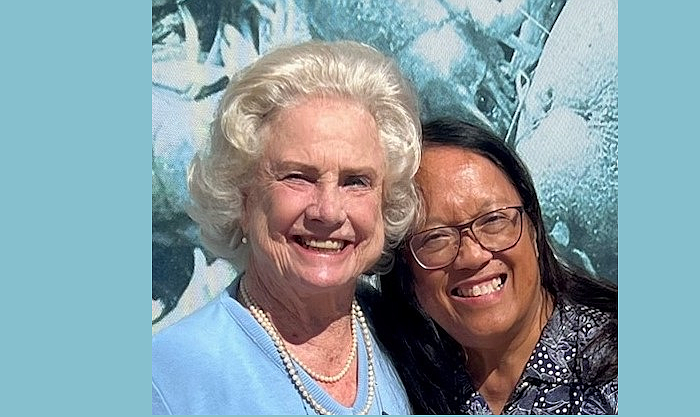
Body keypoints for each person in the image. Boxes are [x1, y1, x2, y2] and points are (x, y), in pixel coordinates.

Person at [151, 40, 422, 415]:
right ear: (242, 197)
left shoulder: (410, 342)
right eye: (298, 177)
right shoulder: (169, 377)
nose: (328, 211)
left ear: (385, 201)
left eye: (356, 181)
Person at [368, 119, 618, 414]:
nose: (473, 255)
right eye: (436, 238)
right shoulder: (398, 383)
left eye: (494, 220)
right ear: (407, 273)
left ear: (533, 229)